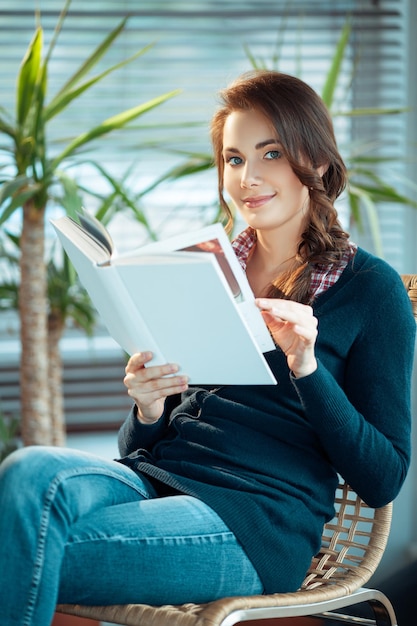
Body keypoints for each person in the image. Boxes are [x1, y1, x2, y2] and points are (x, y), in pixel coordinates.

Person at [0, 70, 415, 626]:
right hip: (155, 482)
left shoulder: (370, 289)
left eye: (270, 154)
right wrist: (149, 409)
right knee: (28, 473)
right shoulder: (207, 268)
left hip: (252, 521)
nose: (248, 177)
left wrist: (306, 366)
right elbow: (151, 439)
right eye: (234, 158)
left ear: (316, 163)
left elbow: (383, 475)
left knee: (21, 547)